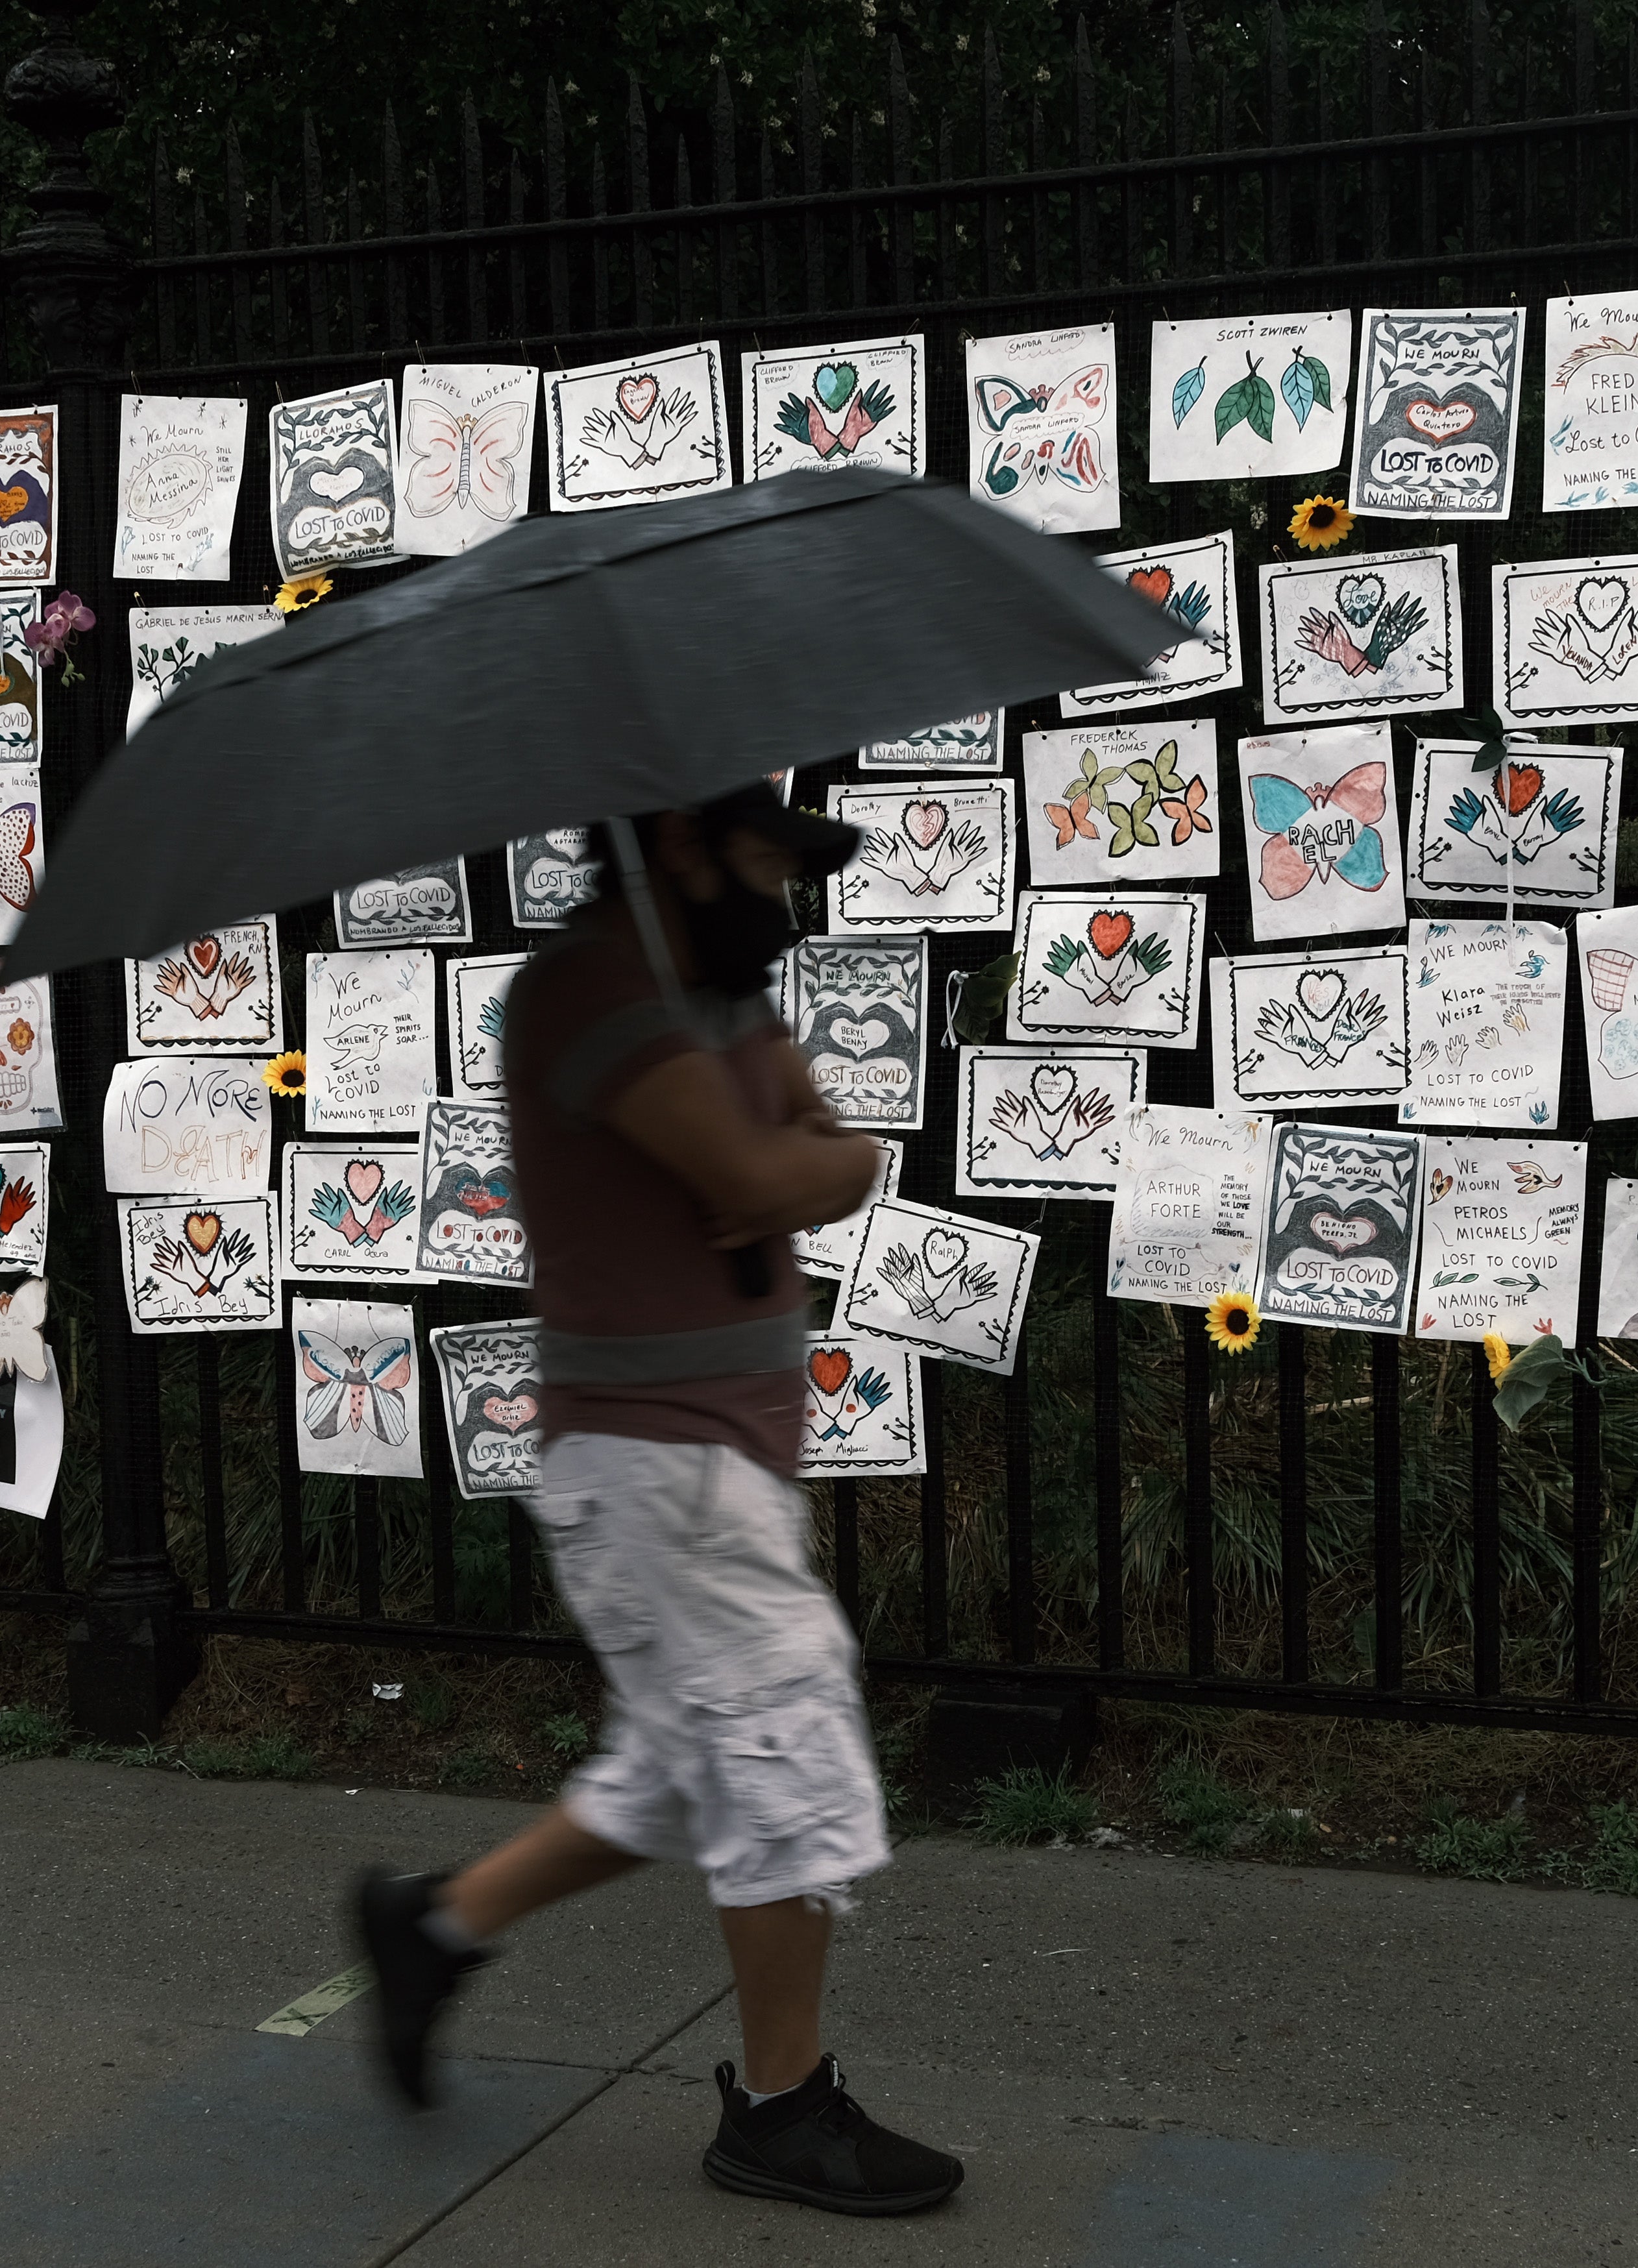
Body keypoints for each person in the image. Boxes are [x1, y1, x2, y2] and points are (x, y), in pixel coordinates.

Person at [354, 783, 966, 2217]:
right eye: (767, 859)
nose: (787, 893)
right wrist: (794, 1167)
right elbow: (770, 1165)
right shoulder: (594, 990)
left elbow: (837, 1156)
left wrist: (812, 1165)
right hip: (657, 1460)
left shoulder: (717, 990)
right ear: (683, 847)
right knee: (781, 1739)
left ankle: (432, 1927)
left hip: (714, 1454)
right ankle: (779, 2105)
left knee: (683, 1760)